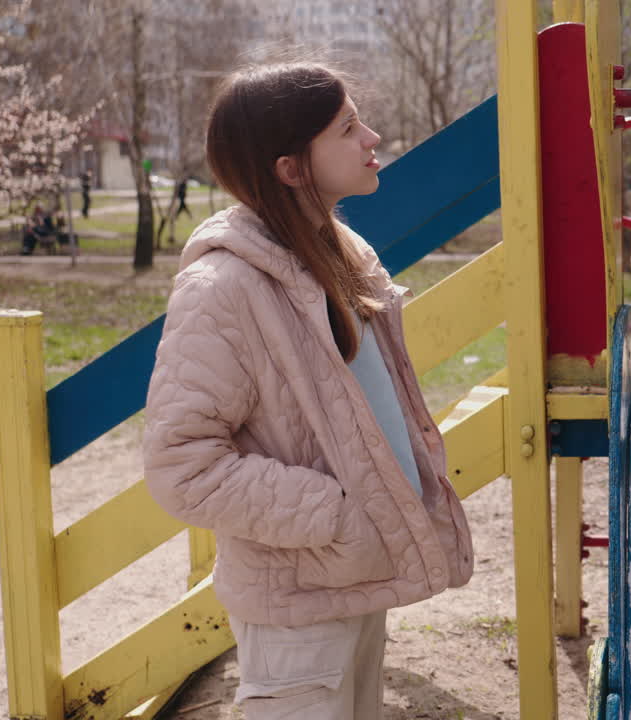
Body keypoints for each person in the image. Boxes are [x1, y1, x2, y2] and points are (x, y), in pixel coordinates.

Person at [142, 63, 473, 720]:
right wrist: (339, 517)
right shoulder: (223, 290)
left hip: (357, 577)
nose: (372, 138)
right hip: (298, 598)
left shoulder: (341, 254)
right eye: (347, 129)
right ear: (291, 168)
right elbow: (181, 466)